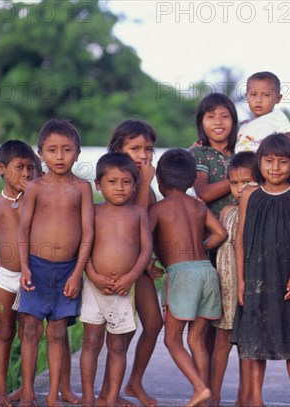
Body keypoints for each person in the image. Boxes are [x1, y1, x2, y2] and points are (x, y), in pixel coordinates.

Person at [232, 133, 290, 406]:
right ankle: (256, 399)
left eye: (282, 162)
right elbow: (240, 239)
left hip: (288, 277)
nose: (275, 168)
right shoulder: (249, 193)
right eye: (269, 161)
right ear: (260, 162)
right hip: (256, 277)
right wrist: (241, 280)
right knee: (255, 341)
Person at [17, 119, 94, 407]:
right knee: (30, 331)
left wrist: (77, 273)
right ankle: (27, 392)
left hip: (67, 270)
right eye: (52, 150)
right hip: (35, 267)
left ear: (78, 152)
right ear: (41, 154)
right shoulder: (35, 187)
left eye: (66, 150)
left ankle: (52, 395)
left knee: (58, 333)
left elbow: (88, 233)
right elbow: (23, 229)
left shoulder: (82, 188)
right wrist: (24, 266)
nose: (59, 157)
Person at [149, 148, 227, 406]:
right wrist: (200, 246)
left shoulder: (159, 209)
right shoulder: (198, 206)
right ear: (193, 179)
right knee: (197, 339)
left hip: (181, 274)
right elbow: (221, 234)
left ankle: (199, 387)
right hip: (206, 271)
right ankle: (204, 397)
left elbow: (144, 241)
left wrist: (150, 264)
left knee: (172, 339)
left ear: (159, 181)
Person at [79, 153, 153, 407]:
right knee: (90, 341)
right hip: (94, 287)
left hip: (124, 289)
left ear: (135, 184)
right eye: (112, 182)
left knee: (118, 345)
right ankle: (89, 397)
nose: (120, 188)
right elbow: (84, 246)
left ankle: (110, 398)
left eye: (126, 182)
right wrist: (93, 275)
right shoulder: (94, 212)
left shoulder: (138, 213)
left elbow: (145, 250)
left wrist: (131, 277)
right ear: (98, 185)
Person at [103, 119, 162, 406]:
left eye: (148, 149)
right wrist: (145, 183)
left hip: (141, 266)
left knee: (153, 323)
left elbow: (148, 231)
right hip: (119, 268)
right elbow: (132, 222)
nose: (143, 155)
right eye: (135, 148)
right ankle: (107, 392)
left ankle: (134, 381)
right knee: (120, 333)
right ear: (119, 149)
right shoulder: (121, 184)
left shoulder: (145, 186)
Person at [0, 140, 38, 407]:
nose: (26, 174)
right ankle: (1, 391)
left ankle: (27, 391)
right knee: (5, 332)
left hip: (32, 277)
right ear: (1, 169)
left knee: (30, 333)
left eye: (31, 168)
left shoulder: (36, 200)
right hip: (4, 277)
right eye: (19, 168)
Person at [209, 152, 256, 406]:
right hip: (225, 285)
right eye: (235, 183)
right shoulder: (226, 211)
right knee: (222, 342)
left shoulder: (260, 212)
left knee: (247, 345)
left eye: (247, 182)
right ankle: (214, 394)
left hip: (249, 285)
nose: (240, 189)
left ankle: (245, 395)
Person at [191, 92, 239, 219]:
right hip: (213, 232)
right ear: (201, 122)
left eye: (224, 116)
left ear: (233, 121)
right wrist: (241, 179)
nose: (218, 122)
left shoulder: (242, 149)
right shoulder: (198, 153)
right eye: (210, 117)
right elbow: (203, 193)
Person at [235, 71, 290, 153]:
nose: (258, 100)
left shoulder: (277, 117)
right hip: (239, 164)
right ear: (247, 97)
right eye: (253, 94)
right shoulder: (243, 125)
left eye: (266, 95)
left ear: (278, 98)